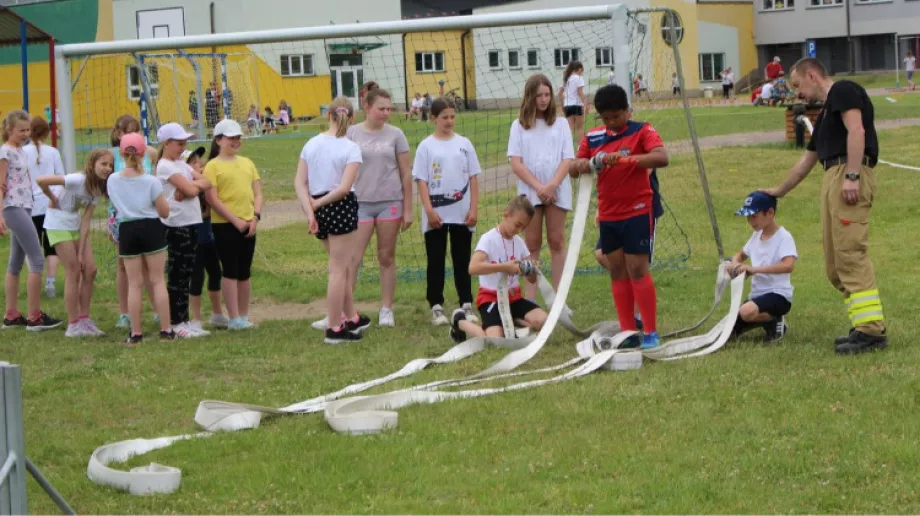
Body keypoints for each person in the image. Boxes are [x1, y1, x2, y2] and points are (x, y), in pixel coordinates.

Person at [762, 57, 886, 354]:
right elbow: (806, 162)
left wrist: (853, 175)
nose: (797, 94)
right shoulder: (827, 114)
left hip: (848, 173)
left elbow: (857, 131)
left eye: (797, 85)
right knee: (834, 266)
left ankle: (871, 332)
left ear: (813, 75)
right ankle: (863, 325)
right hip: (833, 176)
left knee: (850, 255)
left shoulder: (842, 90)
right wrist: (777, 191)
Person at [569, 85, 669, 350]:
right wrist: (589, 163)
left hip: (637, 210)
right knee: (616, 270)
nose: (612, 123)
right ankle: (627, 332)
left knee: (637, 268)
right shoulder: (593, 138)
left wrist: (625, 161)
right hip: (609, 214)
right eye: (606, 118)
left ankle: (650, 331)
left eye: (616, 116)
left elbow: (661, 157)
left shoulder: (642, 131)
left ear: (627, 110)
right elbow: (574, 167)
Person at [295, 97, 366, 344]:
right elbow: (344, 189)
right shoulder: (350, 148)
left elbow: (299, 182)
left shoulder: (311, 144)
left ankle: (352, 317)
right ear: (353, 118)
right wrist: (315, 206)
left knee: (341, 268)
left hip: (319, 208)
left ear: (328, 115)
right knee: (338, 270)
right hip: (339, 207)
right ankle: (335, 328)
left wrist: (311, 209)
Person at [347, 88, 412, 327]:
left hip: (389, 203)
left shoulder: (396, 135)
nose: (386, 113)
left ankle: (386, 309)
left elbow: (406, 173)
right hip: (360, 204)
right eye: (381, 108)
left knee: (386, 256)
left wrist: (408, 209)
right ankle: (346, 308)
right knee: (353, 257)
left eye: (389, 108)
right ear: (367, 107)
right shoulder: (351, 133)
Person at [413, 98, 481, 326]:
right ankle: (436, 306)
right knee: (436, 260)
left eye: (452, 116)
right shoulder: (426, 146)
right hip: (436, 215)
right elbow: (421, 181)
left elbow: (473, 177)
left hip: (462, 214)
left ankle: (466, 303)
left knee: (462, 259)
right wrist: (429, 211)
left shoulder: (465, 144)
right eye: (444, 117)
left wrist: (473, 208)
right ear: (434, 119)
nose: (449, 121)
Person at [507, 74, 574, 299]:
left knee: (556, 241)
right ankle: (531, 299)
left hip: (556, 192)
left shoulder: (562, 123)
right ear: (530, 97)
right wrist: (539, 187)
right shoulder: (518, 126)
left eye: (547, 95)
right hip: (531, 193)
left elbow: (568, 159)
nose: (544, 100)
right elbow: (516, 163)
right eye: (539, 96)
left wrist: (552, 185)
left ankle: (559, 300)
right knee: (532, 243)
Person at [449, 196, 548, 343]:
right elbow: (472, 268)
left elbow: (531, 280)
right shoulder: (488, 239)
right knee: (495, 340)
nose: (519, 230)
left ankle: (511, 319)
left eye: (524, 228)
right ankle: (459, 321)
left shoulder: (519, 243)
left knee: (544, 321)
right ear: (506, 214)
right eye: (517, 225)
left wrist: (531, 270)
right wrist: (505, 267)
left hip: (514, 299)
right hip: (491, 298)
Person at [106, 133, 174, 345]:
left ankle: (136, 333)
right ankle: (166, 330)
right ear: (144, 153)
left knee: (134, 284)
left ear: (120, 153)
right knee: (157, 280)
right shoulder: (151, 181)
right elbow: (164, 212)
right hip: (151, 227)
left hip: (127, 228)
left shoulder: (113, 179)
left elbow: (116, 205)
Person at [37, 149, 112, 337]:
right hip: (57, 223)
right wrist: (52, 197)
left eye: (110, 165)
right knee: (73, 270)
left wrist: (81, 251)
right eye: (103, 164)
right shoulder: (77, 179)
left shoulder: (99, 187)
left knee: (90, 269)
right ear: (92, 163)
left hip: (74, 222)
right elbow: (41, 181)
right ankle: (73, 325)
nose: (108, 168)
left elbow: (86, 219)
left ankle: (85, 319)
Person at [0, 110, 63, 331]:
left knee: (15, 262)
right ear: (9, 129)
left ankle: (11, 315)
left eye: (28, 130)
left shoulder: (21, 151)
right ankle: (35, 317)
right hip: (12, 207)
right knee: (37, 260)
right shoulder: (5, 153)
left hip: (25, 207)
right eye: (21, 130)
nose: (26, 134)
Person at [203, 119, 263, 331]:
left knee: (245, 271)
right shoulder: (212, 166)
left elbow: (257, 192)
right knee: (230, 270)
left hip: (249, 223)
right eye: (231, 138)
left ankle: (244, 316)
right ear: (219, 140)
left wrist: (255, 218)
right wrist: (235, 220)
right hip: (225, 226)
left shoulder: (247, 163)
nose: (235, 141)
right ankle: (233, 317)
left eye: (238, 137)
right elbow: (212, 199)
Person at [155, 123, 213, 338]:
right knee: (178, 274)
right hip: (176, 225)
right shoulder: (165, 166)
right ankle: (176, 321)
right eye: (179, 143)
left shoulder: (182, 165)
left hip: (191, 222)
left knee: (187, 271)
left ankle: (184, 318)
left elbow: (207, 181)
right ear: (166, 143)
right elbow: (192, 187)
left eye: (184, 143)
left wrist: (190, 188)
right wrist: (190, 188)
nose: (183, 147)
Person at [109, 115, 158, 330]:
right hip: (122, 218)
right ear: (119, 134)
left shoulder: (150, 154)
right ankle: (124, 313)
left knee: (150, 265)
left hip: (148, 216)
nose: (135, 135)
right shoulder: (112, 157)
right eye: (129, 131)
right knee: (123, 265)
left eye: (137, 131)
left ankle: (158, 308)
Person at [727, 191, 797, 342]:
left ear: (770, 213)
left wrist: (754, 269)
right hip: (757, 295)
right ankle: (763, 321)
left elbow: (788, 265)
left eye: (754, 216)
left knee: (746, 312)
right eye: (747, 217)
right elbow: (740, 255)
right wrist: (734, 264)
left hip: (778, 295)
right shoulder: (755, 236)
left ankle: (775, 320)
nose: (750, 222)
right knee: (729, 330)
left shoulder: (784, 237)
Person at [186, 146, 228, 332]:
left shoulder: (204, 184)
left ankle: (217, 314)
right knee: (196, 277)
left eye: (199, 161)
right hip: (194, 239)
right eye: (194, 162)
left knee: (215, 272)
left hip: (209, 238)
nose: (200, 164)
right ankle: (195, 318)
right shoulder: (187, 187)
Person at [24, 116, 65, 299]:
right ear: (47, 133)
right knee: (51, 248)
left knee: (31, 247)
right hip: (50, 205)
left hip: (29, 206)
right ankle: (50, 282)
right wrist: (54, 198)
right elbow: (61, 178)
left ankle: (36, 279)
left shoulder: (22, 152)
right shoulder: (53, 152)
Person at [559, 61, 588, 142]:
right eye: (582, 70)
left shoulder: (566, 79)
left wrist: (563, 106)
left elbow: (559, 94)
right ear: (579, 69)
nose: (582, 72)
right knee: (579, 128)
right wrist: (586, 103)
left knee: (570, 130)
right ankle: (580, 148)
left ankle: (567, 149)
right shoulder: (579, 78)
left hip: (567, 106)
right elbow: (580, 92)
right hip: (577, 105)